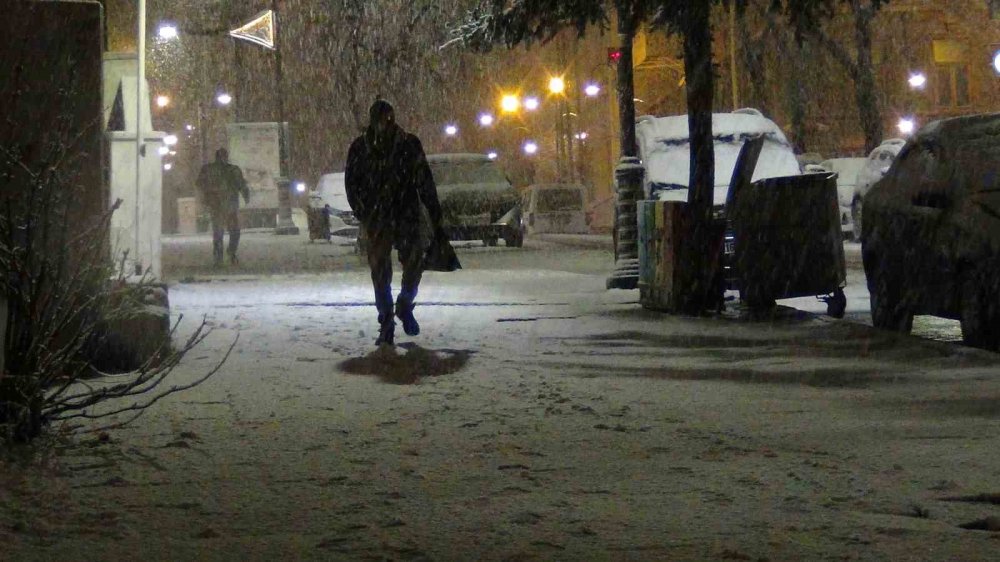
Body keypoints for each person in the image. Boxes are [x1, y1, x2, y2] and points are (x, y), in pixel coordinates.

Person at [345, 100, 445, 346]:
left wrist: (433, 212)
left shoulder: (408, 144)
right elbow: (352, 184)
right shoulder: (361, 148)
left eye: (387, 120)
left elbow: (424, 181)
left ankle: (403, 306)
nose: (384, 125)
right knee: (381, 272)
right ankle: (387, 319)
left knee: (413, 265)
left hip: (404, 214)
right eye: (381, 120)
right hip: (378, 217)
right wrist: (364, 211)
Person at [196, 148, 249, 267]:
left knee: (218, 232)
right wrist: (246, 196)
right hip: (229, 205)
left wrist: (207, 196)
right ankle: (230, 253)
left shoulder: (208, 169)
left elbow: (200, 184)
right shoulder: (233, 170)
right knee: (234, 231)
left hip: (216, 205)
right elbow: (242, 185)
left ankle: (219, 257)